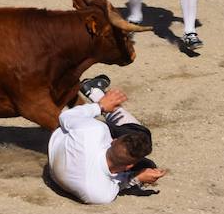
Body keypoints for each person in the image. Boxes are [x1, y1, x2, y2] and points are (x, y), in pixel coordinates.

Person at [47, 75, 167, 204]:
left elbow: (65, 117)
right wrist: (135, 178)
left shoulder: (94, 131)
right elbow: (120, 184)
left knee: (143, 154)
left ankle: (95, 93)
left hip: (62, 141)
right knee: (142, 138)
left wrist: (100, 106)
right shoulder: (101, 195)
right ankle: (93, 91)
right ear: (129, 166)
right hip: (59, 166)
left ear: (113, 141)